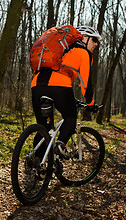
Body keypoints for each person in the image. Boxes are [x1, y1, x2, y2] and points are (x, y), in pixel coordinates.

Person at [31, 26, 101, 158]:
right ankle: (60, 145)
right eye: (94, 39)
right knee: (70, 117)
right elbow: (86, 84)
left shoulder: (61, 49)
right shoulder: (84, 53)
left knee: (44, 127)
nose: (96, 44)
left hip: (37, 85)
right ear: (84, 38)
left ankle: (35, 161)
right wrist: (90, 104)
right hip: (60, 86)